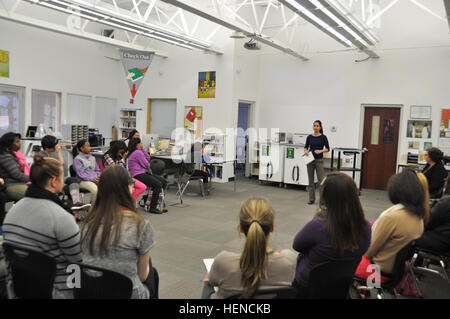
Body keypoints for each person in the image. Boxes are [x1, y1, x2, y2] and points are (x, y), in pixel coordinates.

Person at [2, 154, 82, 298]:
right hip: (55, 291)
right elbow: (77, 261)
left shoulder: (12, 212)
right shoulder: (62, 218)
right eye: (62, 177)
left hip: (19, 289)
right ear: (53, 181)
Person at [80, 165, 158, 299]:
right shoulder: (141, 225)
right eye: (132, 184)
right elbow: (142, 275)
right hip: (128, 293)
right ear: (127, 187)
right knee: (151, 271)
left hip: (93, 291)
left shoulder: (88, 223)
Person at [292, 172, 371, 297]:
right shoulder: (365, 227)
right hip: (341, 286)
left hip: (308, 288)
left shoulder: (318, 225)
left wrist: (318, 216)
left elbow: (297, 245)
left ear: (325, 198)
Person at [201, 198, 297, 299]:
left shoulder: (223, 262)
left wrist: (208, 281)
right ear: (272, 227)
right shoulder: (289, 260)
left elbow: (212, 281)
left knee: (207, 283)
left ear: (241, 228)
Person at [354, 169, 426, 284]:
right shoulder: (419, 216)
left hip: (376, 270)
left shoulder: (392, 217)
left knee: (338, 258)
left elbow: (369, 251)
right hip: (395, 270)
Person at [40, 135, 90, 212]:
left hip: (58, 178)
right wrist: (59, 152)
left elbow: (62, 167)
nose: (56, 147)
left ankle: (75, 203)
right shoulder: (42, 156)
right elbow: (60, 167)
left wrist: (58, 152)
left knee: (73, 180)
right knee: (71, 188)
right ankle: (74, 207)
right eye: (54, 146)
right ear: (47, 148)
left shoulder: (50, 154)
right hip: (51, 182)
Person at [127, 138, 167, 214]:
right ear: (137, 144)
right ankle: (153, 207)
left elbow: (148, 158)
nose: (142, 144)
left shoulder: (138, 151)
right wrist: (142, 150)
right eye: (140, 143)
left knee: (163, 182)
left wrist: (142, 150)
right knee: (158, 184)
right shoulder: (137, 152)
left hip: (143, 173)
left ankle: (154, 202)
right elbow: (146, 163)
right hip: (138, 174)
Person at [415, 177, 450, 253]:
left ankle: (401, 264)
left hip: (441, 241)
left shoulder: (446, 202)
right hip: (445, 238)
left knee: (406, 236)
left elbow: (428, 222)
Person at [304, 120, 330, 205]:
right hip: (310, 160)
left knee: (321, 181)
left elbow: (327, 148)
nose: (315, 127)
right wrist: (306, 151)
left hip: (319, 160)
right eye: (314, 126)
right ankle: (311, 199)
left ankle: (322, 200)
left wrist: (321, 151)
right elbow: (306, 147)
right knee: (310, 181)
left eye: (317, 126)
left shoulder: (323, 137)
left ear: (320, 127)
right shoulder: (309, 137)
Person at [0, 132, 29, 203]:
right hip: (11, 186)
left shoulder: (11, 155)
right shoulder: (5, 157)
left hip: (18, 183)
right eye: (17, 141)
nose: (20, 143)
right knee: (36, 195)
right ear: (9, 143)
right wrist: (35, 178)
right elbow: (16, 174)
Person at [72, 140, 100, 205]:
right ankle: (92, 212)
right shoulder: (77, 159)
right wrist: (92, 179)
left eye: (89, 146)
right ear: (82, 148)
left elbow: (97, 170)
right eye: (87, 146)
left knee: (108, 188)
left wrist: (98, 177)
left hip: (95, 179)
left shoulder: (92, 158)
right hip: (83, 181)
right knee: (95, 191)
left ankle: (102, 209)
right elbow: (81, 174)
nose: (90, 148)